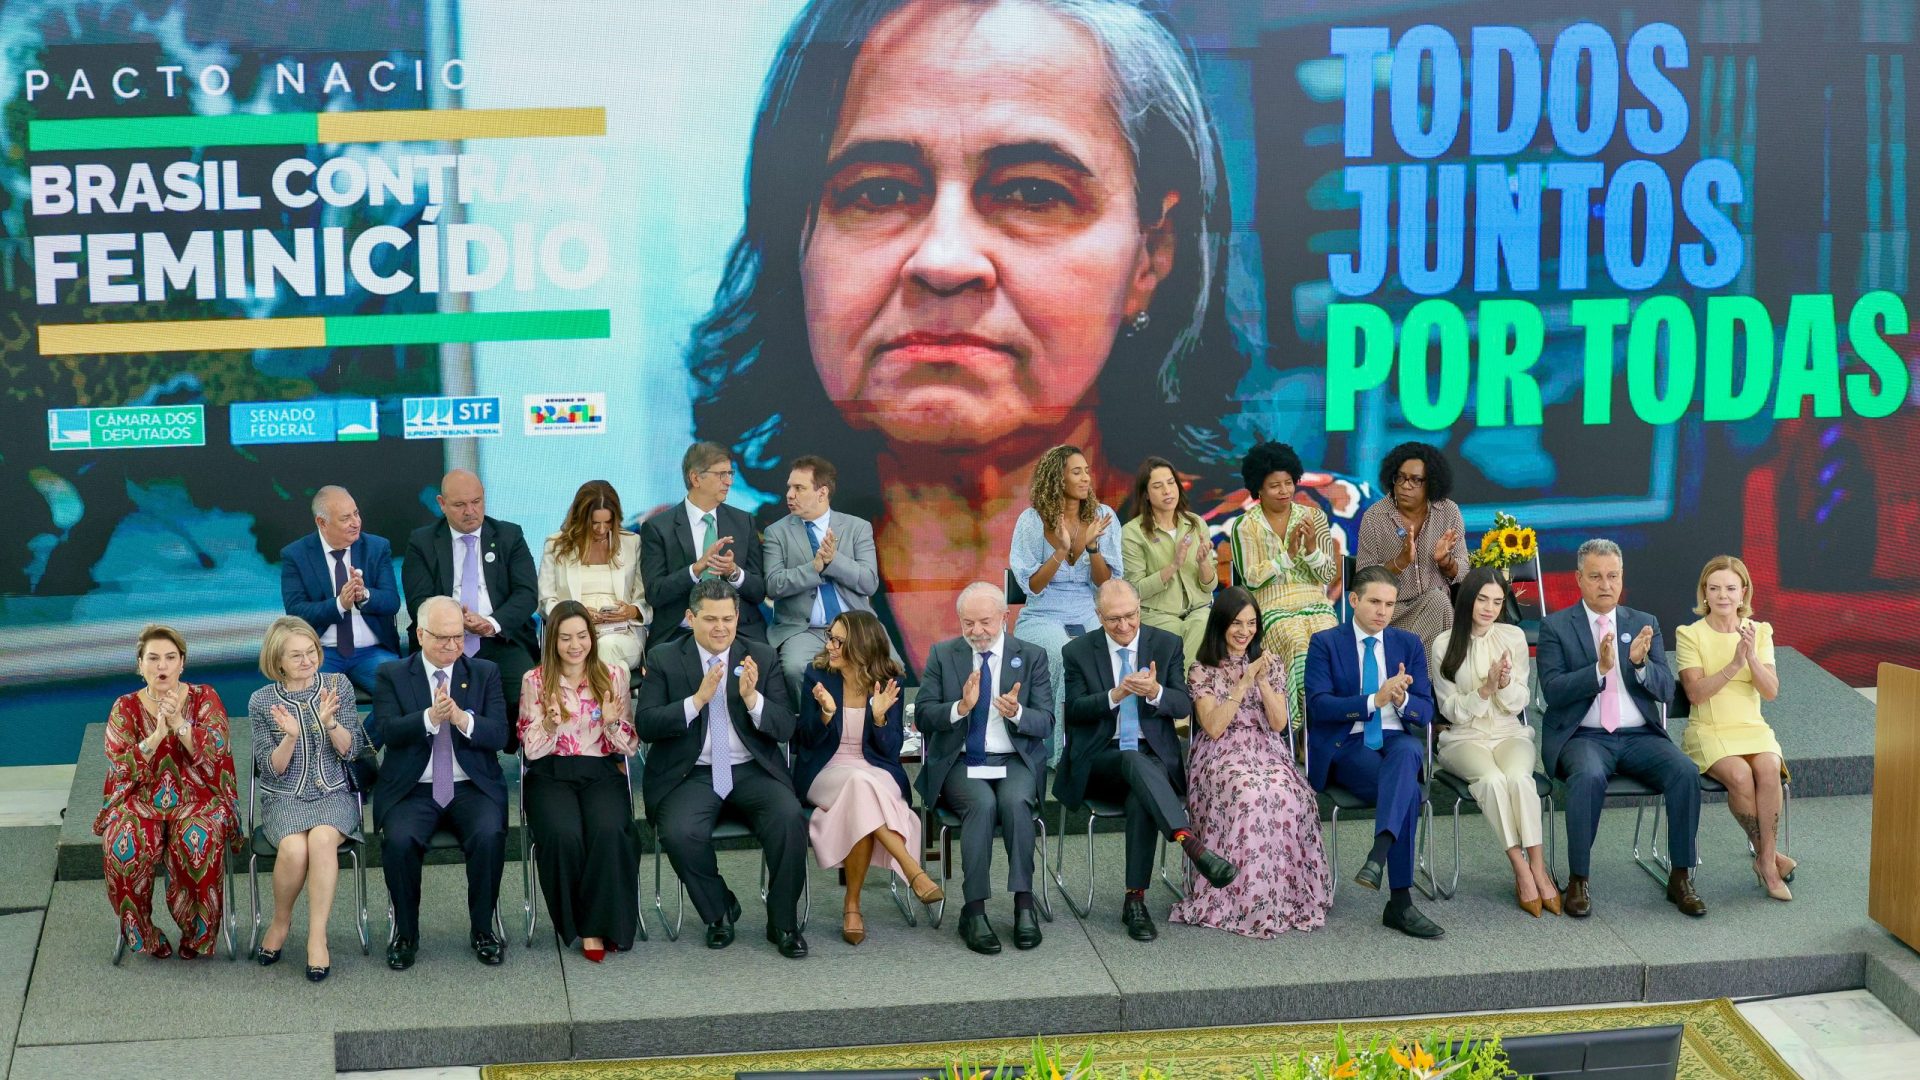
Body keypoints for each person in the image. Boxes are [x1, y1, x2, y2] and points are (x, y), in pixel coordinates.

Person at [686, 0, 1248, 670]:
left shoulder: (1307, 553)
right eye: (879, 192)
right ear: (794, 250)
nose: (945, 262)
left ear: (1152, 256)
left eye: (1034, 192)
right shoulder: (709, 579)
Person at [636, 578, 809, 958]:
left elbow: (785, 726)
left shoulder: (760, 656)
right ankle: (718, 910)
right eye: (710, 619)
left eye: (728, 619)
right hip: (691, 774)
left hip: (751, 769)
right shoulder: (666, 657)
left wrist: (753, 699)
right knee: (679, 832)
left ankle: (783, 922)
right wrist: (696, 701)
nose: (720, 628)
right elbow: (645, 723)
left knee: (789, 818)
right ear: (690, 618)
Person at [1055, 580, 1235, 942]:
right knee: (1132, 761)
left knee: (1142, 787)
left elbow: (1183, 706)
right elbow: (1073, 712)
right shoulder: (1077, 651)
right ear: (1098, 616)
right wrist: (1115, 694)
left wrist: (1155, 693)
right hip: (1098, 760)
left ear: (1141, 609)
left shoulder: (1165, 644)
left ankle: (1134, 901)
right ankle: (1188, 841)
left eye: (1131, 616)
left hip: (1151, 759)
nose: (1124, 626)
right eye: (1113, 619)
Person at [1537, 539, 1699, 918]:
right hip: (1584, 736)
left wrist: (1640, 665)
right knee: (1588, 776)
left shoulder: (1644, 623)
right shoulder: (1556, 626)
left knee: (1685, 772)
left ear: (1622, 577)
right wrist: (1599, 670)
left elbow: (1664, 690)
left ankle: (1680, 875)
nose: (1605, 584)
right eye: (1595, 576)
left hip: (1639, 735)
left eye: (1612, 576)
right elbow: (1554, 692)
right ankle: (1579, 878)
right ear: (1578, 578)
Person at [1169, 588, 1332, 938]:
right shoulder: (1202, 670)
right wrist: (1242, 684)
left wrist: (1262, 682)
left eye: (1251, 624)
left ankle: (1285, 894)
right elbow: (1212, 727)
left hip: (1266, 747)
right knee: (1248, 795)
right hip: (1221, 753)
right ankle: (1241, 898)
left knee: (1290, 793)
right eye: (1236, 624)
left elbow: (1278, 724)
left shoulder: (1269, 664)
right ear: (1221, 626)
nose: (1244, 632)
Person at [1303, 565, 1445, 940]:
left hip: (1396, 740)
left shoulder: (1409, 644)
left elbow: (1426, 711)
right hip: (1347, 745)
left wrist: (1400, 703)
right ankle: (1399, 902)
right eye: (1375, 602)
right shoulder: (1325, 643)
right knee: (1410, 792)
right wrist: (1373, 700)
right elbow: (1319, 707)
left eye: (1389, 604)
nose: (1383, 611)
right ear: (1353, 600)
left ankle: (1378, 855)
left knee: (1410, 748)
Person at [370, 596, 511, 970]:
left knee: (488, 834)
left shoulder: (484, 672)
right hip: (413, 787)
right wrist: (430, 718)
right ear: (419, 634)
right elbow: (385, 731)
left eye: (458, 637)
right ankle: (406, 933)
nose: (452, 645)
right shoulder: (392, 674)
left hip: (470, 786)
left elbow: (500, 735)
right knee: (398, 840)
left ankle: (483, 928)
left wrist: (463, 720)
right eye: (442, 638)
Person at [914, 581, 1055, 954]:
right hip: (962, 761)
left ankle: (1024, 903)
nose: (976, 631)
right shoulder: (944, 654)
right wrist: (960, 708)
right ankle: (973, 911)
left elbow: (1047, 722)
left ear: (1005, 618)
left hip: (1013, 760)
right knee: (982, 805)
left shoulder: (1032, 655)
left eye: (985, 623)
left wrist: (1018, 713)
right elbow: (925, 716)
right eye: (968, 623)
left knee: (1014, 803)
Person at [793, 610, 941, 946]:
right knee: (859, 787)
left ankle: (853, 905)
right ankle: (912, 870)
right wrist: (826, 716)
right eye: (830, 636)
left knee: (862, 796)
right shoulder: (816, 674)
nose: (830, 645)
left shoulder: (890, 681)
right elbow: (805, 741)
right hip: (826, 769)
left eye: (838, 640)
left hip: (875, 768)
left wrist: (878, 718)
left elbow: (890, 751)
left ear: (860, 646)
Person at [95, 625, 238, 960]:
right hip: (140, 798)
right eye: (154, 658)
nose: (162, 666)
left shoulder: (205, 697)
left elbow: (218, 750)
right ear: (140, 665)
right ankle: (143, 933)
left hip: (197, 797)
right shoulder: (125, 706)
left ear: (182, 663)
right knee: (122, 842)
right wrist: (157, 735)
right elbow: (119, 766)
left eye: (170, 658)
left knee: (198, 838)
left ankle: (198, 934)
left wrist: (181, 726)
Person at [1428, 568, 1559, 917]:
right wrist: (1484, 690)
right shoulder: (1443, 644)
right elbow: (1450, 711)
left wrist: (1502, 686)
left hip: (1509, 732)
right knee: (1493, 781)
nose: (1489, 608)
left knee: (1519, 779)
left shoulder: (1513, 637)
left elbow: (1519, 703)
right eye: (1483, 599)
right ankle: (1520, 870)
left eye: (1498, 602)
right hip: (1463, 739)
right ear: (1468, 598)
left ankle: (1539, 866)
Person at [518, 601, 641, 960]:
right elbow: (529, 748)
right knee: (562, 834)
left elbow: (630, 745)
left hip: (600, 768)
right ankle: (580, 925)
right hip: (550, 772)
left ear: (592, 636)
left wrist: (613, 723)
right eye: (566, 638)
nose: (575, 645)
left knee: (609, 830)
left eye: (582, 636)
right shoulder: (535, 680)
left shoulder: (614, 675)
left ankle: (603, 925)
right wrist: (551, 725)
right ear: (552, 641)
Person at [248, 617, 367, 981]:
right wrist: (290, 737)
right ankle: (281, 923)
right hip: (285, 798)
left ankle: (317, 936)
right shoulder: (262, 701)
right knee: (295, 850)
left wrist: (331, 724)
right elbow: (271, 771)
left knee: (320, 840)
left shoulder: (338, 686)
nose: (307, 661)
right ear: (277, 661)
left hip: (334, 793)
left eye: (311, 652)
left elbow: (353, 752)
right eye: (295, 655)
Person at [1676, 555, 1793, 901]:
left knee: (1769, 767)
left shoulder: (1760, 631)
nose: (1722, 595)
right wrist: (1734, 664)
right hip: (1709, 730)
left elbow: (1770, 691)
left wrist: (1752, 657)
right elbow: (1695, 694)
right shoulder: (1690, 634)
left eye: (1729, 588)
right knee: (1741, 776)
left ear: (1743, 592)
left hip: (1752, 727)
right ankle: (1769, 862)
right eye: (1714, 589)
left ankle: (1765, 858)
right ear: (1704, 594)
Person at [404, 470, 541, 730]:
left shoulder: (509, 536)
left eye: (476, 502)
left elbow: (527, 594)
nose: (470, 511)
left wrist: (490, 623)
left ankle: (509, 751)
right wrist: (455, 623)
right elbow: (418, 602)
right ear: (442, 504)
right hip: (442, 641)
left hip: (500, 639)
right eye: (460, 505)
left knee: (526, 694)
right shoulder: (422, 541)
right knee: (422, 700)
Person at [1011, 444, 1122, 751]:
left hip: (1089, 610)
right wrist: (1061, 550)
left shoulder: (1104, 517)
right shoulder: (1031, 521)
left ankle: (1102, 745)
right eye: (1077, 472)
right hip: (1043, 614)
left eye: (1087, 470)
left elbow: (1106, 585)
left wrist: (1092, 549)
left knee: (1104, 652)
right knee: (1065, 655)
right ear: (1057, 479)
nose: (1086, 478)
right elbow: (1032, 586)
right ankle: (1061, 752)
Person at [1229, 442, 1338, 723]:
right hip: (1271, 607)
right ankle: (1302, 729)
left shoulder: (1314, 517)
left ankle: (1331, 723)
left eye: (1289, 483)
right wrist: (1287, 556)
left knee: (1329, 641)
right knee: (1297, 642)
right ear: (1258, 489)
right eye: (1275, 485)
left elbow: (1327, 575)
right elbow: (1251, 580)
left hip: (1315, 603)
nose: (1284, 491)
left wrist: (1312, 549)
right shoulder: (1245, 525)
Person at [765, 455, 885, 703]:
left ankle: (870, 734)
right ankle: (815, 733)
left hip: (856, 628)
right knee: (796, 668)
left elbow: (869, 582)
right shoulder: (776, 532)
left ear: (822, 493)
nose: (789, 494)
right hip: (803, 630)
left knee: (891, 668)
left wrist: (834, 562)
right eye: (789, 487)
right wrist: (815, 568)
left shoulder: (857, 527)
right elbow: (773, 585)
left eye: (799, 488)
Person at [640, 443, 769, 647]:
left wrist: (734, 572)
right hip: (681, 633)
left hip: (740, 632)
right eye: (721, 474)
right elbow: (655, 593)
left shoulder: (744, 522)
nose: (729, 481)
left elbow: (759, 591)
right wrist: (695, 569)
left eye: (730, 473)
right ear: (696, 478)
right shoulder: (658, 528)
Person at [280, 485, 401, 699]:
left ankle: (364, 734)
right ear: (322, 523)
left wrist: (364, 595)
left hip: (372, 651)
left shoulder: (376, 548)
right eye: (346, 518)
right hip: (322, 653)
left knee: (404, 692)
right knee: (310, 699)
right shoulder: (296, 555)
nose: (356, 523)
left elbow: (392, 601)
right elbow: (297, 612)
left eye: (356, 513)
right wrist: (340, 604)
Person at [1356, 442, 1469, 644]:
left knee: (1438, 601)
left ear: (1431, 483)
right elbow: (1363, 580)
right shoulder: (1374, 517)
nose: (1405, 485)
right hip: (1391, 611)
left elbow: (1463, 570)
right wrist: (1399, 562)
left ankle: (1413, 672)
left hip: (1439, 608)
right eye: (1400, 477)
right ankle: (1424, 674)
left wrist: (1446, 562)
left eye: (1416, 480)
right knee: (1438, 606)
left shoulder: (1449, 512)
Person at [539, 480, 648, 673]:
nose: (601, 529)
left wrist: (631, 611)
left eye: (608, 522)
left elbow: (644, 597)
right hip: (573, 634)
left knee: (606, 647)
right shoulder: (556, 546)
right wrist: (577, 614)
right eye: (594, 523)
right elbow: (546, 600)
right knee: (617, 668)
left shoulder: (632, 543)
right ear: (580, 519)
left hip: (621, 634)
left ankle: (591, 701)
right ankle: (613, 699)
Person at [1122, 456, 1216, 664]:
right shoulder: (1132, 533)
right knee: (1172, 634)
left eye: (1171, 482)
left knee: (1203, 623)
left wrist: (1203, 563)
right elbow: (1135, 591)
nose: (1167, 490)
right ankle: (1187, 690)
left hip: (1197, 610)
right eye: (1158, 486)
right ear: (1146, 494)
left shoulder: (1196, 523)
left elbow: (1210, 586)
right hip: (1157, 614)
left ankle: (1180, 691)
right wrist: (1174, 566)